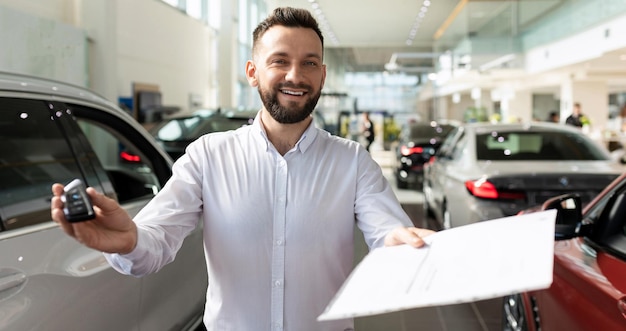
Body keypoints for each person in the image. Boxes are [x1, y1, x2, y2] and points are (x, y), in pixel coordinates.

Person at [50, 7, 434, 331]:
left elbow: (388, 232)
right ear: (252, 72)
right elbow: (155, 243)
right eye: (279, 61)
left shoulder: (352, 161)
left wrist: (400, 248)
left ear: (322, 75)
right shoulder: (208, 156)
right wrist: (128, 241)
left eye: (309, 63)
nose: (295, 76)